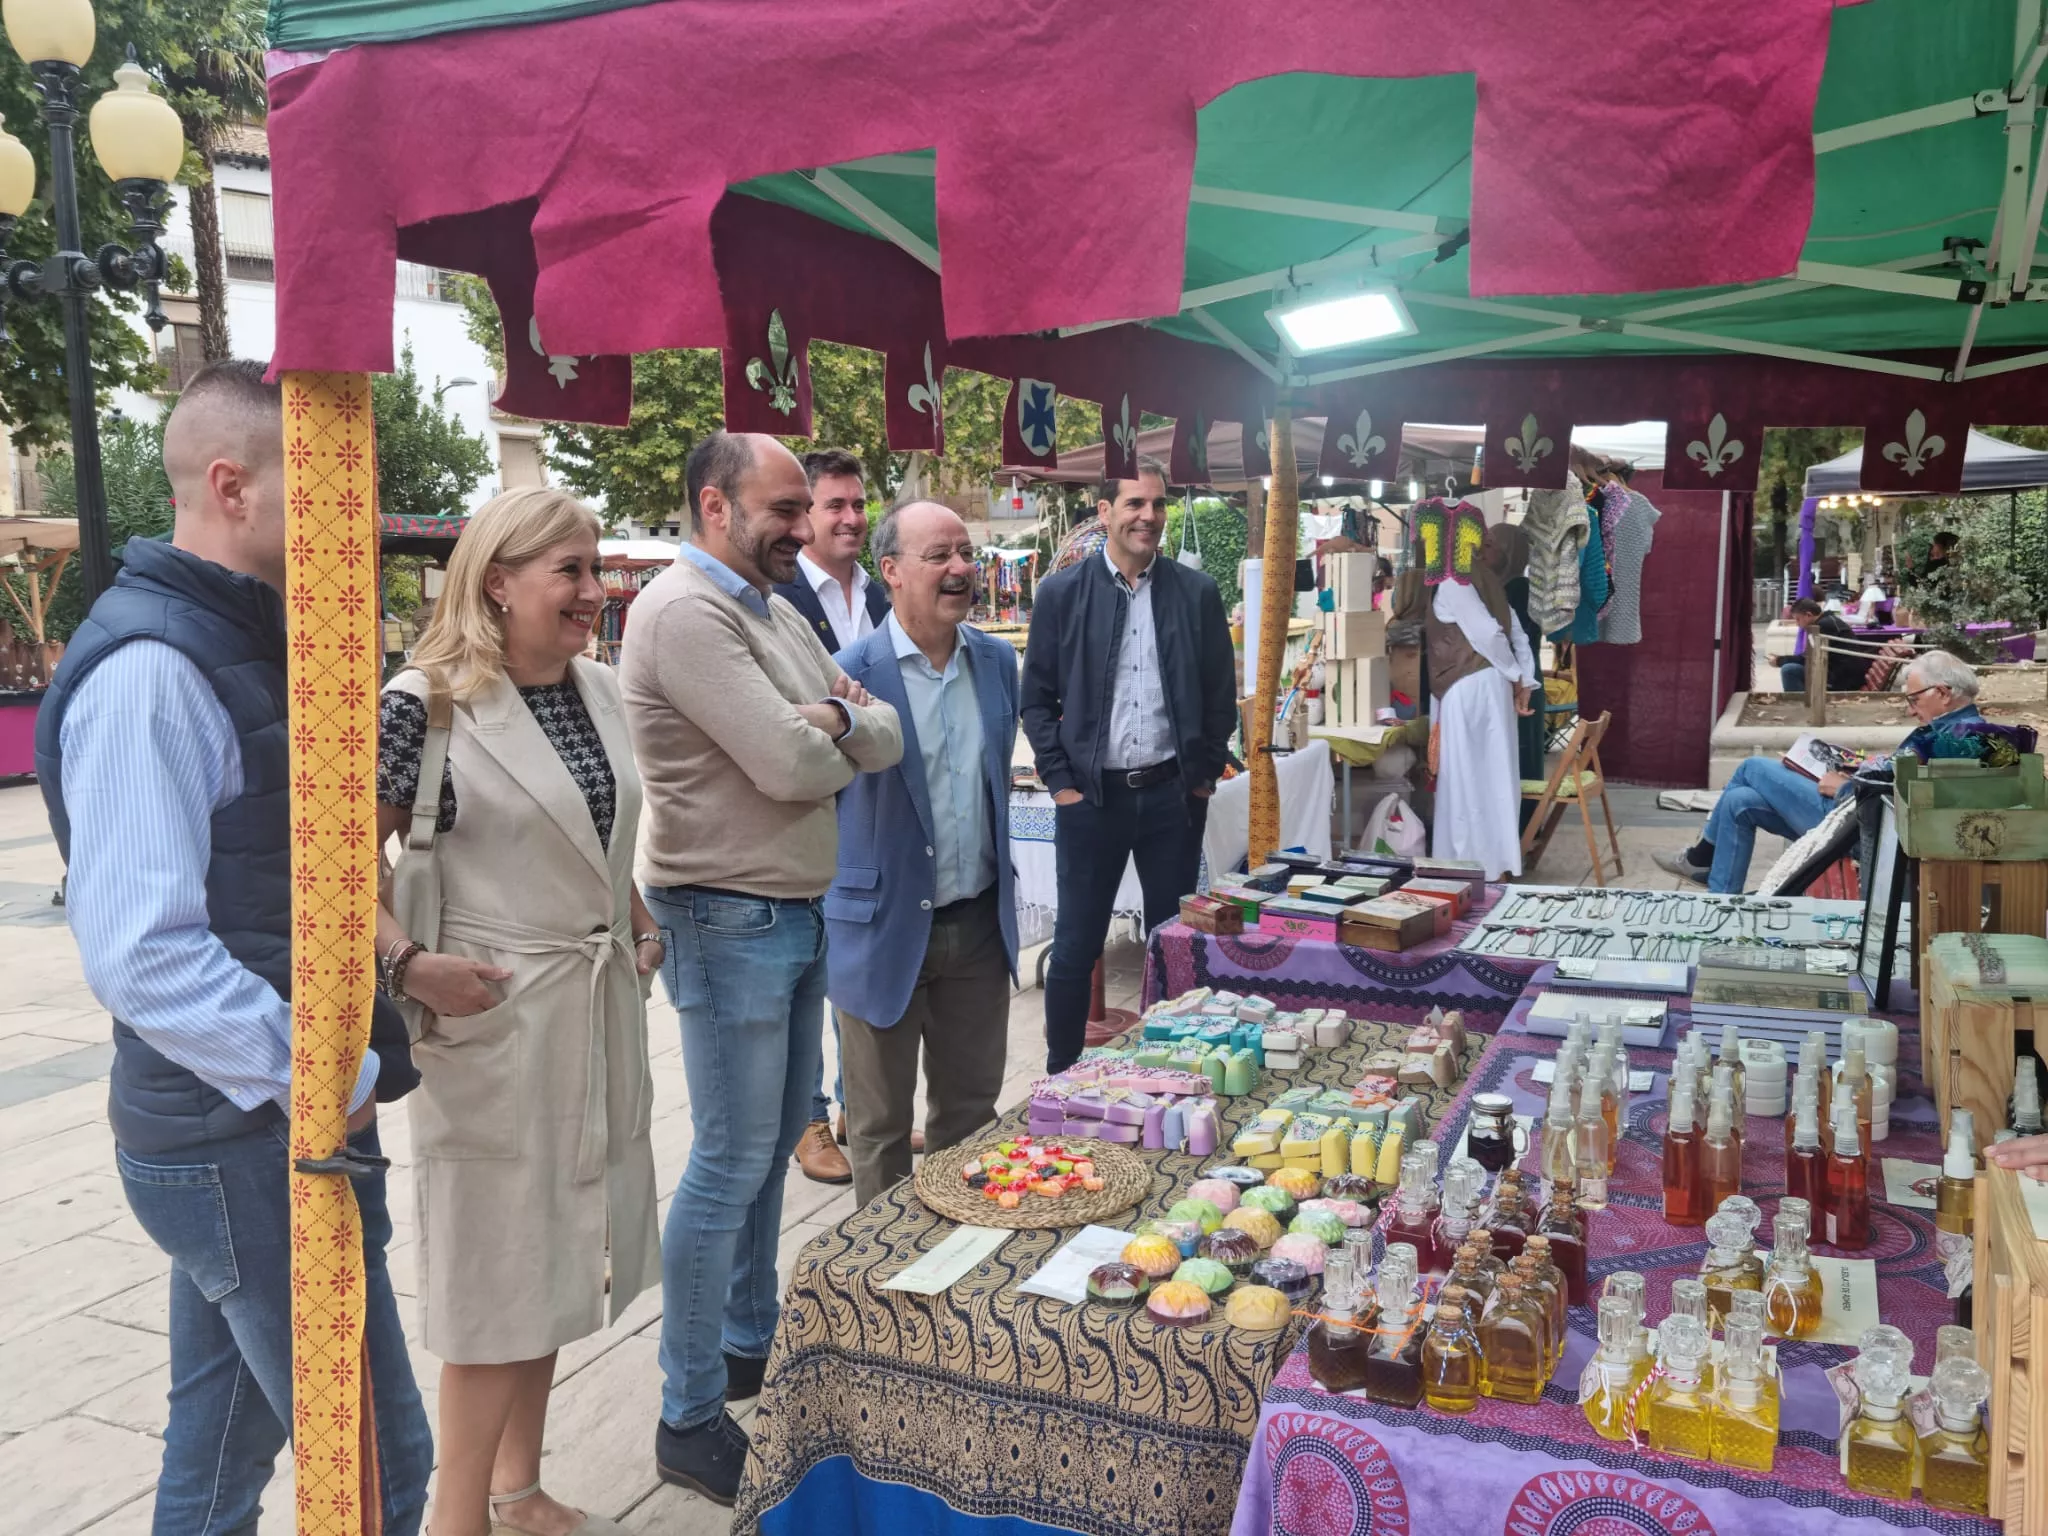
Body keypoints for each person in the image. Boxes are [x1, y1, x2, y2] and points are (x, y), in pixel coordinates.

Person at [32, 360, 433, 1533]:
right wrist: (327, 1078)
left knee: (219, 1448)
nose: (350, 520)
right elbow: (144, 952)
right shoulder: (155, 672)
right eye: (326, 486)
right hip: (241, 1135)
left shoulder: (233, 642)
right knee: (375, 1462)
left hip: (245, 1128)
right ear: (233, 487)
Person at [621, 431, 902, 1504]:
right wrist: (835, 732)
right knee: (727, 1163)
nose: (801, 526)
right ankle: (686, 1412)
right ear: (713, 506)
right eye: (782, 508)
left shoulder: (771, 605)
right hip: (727, 916)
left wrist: (829, 716)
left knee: (765, 1153)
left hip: (786, 910)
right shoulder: (686, 613)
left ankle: (744, 1344)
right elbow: (790, 766)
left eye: (804, 508)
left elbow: (881, 732)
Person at [375, 489, 662, 1536]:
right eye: (570, 573)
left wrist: (630, 914)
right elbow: (331, 872)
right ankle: (455, 1523)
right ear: (496, 580)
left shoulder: (596, 688)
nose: (594, 593)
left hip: (588, 1008)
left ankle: (519, 1487)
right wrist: (409, 965)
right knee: (494, 1278)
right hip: (490, 1020)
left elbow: (599, 830)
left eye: (594, 571)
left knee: (557, 1251)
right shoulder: (425, 701)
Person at [825, 501, 1020, 1207]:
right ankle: (881, 1288)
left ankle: (957, 1267)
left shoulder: (998, 663)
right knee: (878, 1130)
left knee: (970, 1119)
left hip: (976, 929)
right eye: (939, 555)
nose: (962, 569)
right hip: (879, 932)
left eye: (965, 553)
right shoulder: (847, 675)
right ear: (892, 572)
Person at [1023, 457, 1235, 1074]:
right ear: (1105, 512)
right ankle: (1060, 1074)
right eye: (1135, 504)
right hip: (1093, 800)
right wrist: (1062, 783)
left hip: (1172, 797)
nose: (1149, 516)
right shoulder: (1063, 593)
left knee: (1172, 944)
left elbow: (1220, 694)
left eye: (1158, 504)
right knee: (1075, 946)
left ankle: (1171, 1069)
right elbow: (1036, 700)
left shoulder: (1195, 593)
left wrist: (1201, 776)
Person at [772, 449, 894, 1186]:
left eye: (858, 504)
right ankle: (808, 1121)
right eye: (834, 506)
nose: (851, 518)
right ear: (803, 513)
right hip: (803, 810)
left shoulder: (882, 593)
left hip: (872, 806)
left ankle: (860, 1104)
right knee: (808, 968)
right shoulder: (779, 598)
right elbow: (790, 721)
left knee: (858, 956)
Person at [1655, 650, 1983, 892]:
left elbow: (1896, 803)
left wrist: (1842, 786)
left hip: (1857, 825)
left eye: (1913, 700)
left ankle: (1701, 858)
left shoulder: (1952, 739)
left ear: (1941, 693)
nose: (1911, 710)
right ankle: (1721, 898)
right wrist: (1858, 768)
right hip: (1861, 815)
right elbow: (1901, 782)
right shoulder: (1959, 730)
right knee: (1739, 801)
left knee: (1752, 767)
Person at [1404, 523, 1537, 880]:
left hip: (1469, 688)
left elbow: (1490, 634)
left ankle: (1469, 865)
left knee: (1466, 778)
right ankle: (1495, 863)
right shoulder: (1487, 580)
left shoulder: (1455, 581)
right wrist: (1523, 678)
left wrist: (1516, 677)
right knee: (1492, 774)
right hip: (1487, 686)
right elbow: (1517, 633)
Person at [1486, 523, 1547, 797]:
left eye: (1491, 545)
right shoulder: (1510, 586)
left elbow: (1512, 639)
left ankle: (1525, 822)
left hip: (1522, 675)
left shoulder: (1517, 588)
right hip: (1521, 674)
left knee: (1521, 748)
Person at [1774, 597, 1862, 693]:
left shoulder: (1823, 626)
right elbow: (1809, 656)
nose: (1797, 624)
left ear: (1808, 615)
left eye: (1798, 619)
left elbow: (1808, 658)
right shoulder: (1827, 621)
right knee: (1792, 668)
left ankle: (1798, 704)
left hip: (1842, 679)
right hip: (1838, 673)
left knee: (1789, 670)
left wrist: (1779, 661)